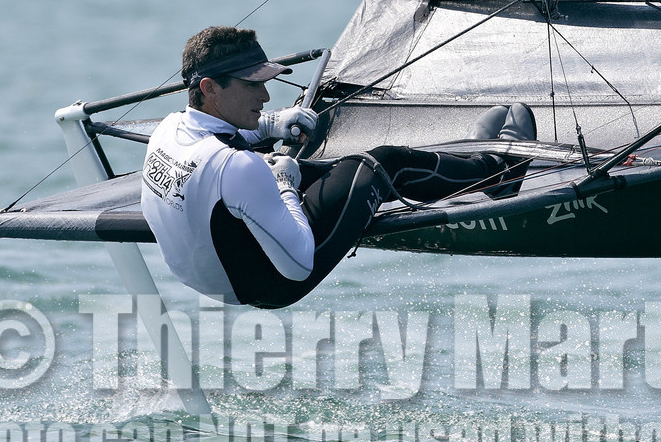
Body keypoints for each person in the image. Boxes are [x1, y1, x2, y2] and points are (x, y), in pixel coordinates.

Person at [140, 25, 535, 308]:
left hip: (211, 275)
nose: (265, 93)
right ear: (209, 88)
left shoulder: (171, 128)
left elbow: (221, 147)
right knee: (382, 164)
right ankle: (498, 173)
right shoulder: (238, 169)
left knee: (334, 170)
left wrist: (272, 123)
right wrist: (283, 186)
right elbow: (297, 267)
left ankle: (464, 169)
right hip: (271, 283)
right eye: (251, 84)